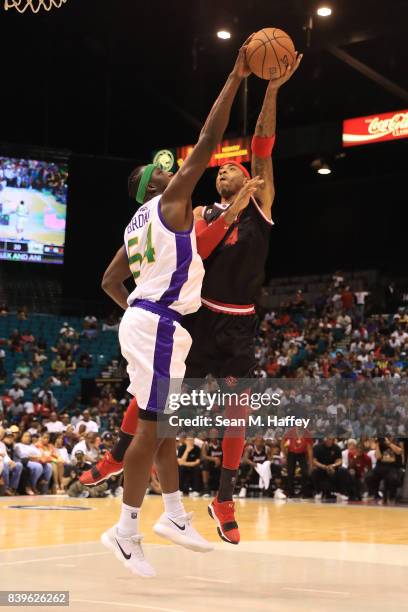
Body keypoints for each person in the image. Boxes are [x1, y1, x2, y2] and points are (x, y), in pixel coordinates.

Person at [81, 49, 303, 547]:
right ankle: (121, 456)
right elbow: (194, 247)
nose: (224, 172)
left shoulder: (260, 206)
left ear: (250, 179)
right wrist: (224, 212)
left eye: (234, 169)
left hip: (240, 321)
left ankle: (223, 496)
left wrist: (270, 87)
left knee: (235, 412)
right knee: (159, 406)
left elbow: (264, 145)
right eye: (220, 171)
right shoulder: (199, 214)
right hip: (195, 318)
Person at [95, 39, 255, 577]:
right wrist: (234, 77)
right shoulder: (168, 202)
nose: (169, 170)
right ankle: (124, 530)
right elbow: (210, 138)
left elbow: (109, 279)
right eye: (159, 170)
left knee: (161, 425)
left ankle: (174, 514)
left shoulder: (133, 225)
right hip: (159, 325)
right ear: (153, 185)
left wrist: (136, 308)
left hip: (147, 321)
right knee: (151, 429)